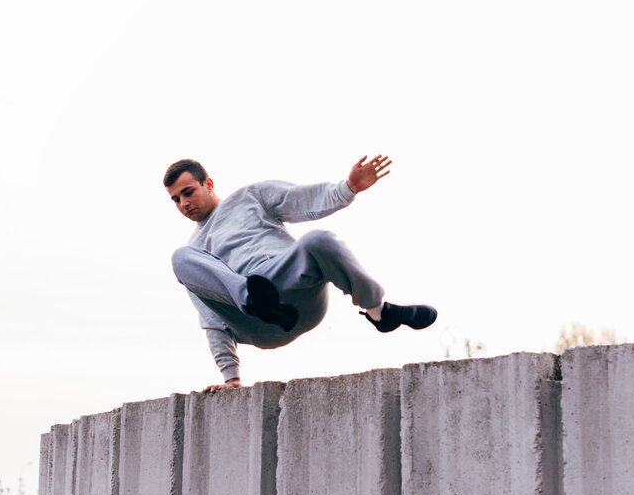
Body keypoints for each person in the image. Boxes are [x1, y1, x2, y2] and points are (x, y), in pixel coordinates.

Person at [165, 155, 437, 393]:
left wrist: (349, 187)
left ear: (208, 184)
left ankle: (379, 312)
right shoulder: (196, 252)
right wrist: (231, 377)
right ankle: (251, 297)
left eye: (188, 192)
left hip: (292, 289)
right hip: (255, 321)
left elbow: (300, 200)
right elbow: (210, 316)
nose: (183, 204)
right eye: (176, 200)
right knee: (180, 257)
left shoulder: (249, 197)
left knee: (319, 239)